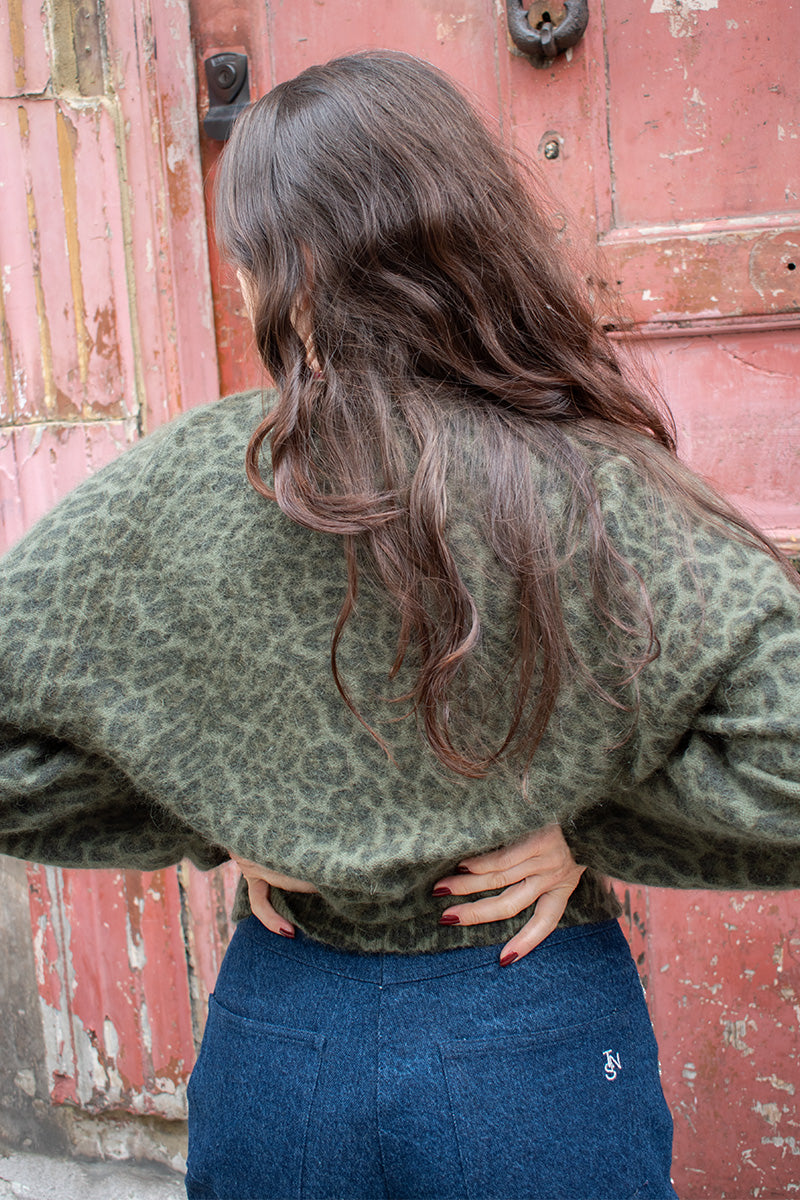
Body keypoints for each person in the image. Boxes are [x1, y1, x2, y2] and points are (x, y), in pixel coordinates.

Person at [1, 49, 799, 1200]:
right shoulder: (590, 482)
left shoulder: (189, 484)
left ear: (292, 274)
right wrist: (593, 829)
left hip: (284, 1033)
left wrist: (216, 820)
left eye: (246, 257)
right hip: (528, 1023)